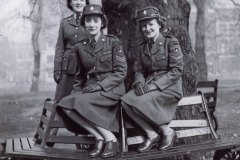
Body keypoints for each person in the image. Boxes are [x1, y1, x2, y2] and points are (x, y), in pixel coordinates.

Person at [57, 4, 127, 158]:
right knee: (66, 105)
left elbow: (121, 72)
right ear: (84, 24)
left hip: (112, 90)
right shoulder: (80, 47)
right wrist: (77, 93)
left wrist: (100, 86)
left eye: (95, 20)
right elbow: (80, 76)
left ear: (102, 22)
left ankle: (111, 140)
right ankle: (101, 137)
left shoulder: (113, 42)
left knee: (77, 103)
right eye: (88, 21)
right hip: (92, 91)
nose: (91, 24)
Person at [121, 6, 184, 152]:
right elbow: (139, 70)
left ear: (159, 25)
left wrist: (154, 86)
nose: (147, 28)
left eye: (151, 24)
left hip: (169, 88)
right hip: (149, 87)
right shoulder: (143, 47)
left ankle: (167, 132)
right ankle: (152, 134)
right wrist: (139, 83)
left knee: (139, 102)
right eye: (144, 26)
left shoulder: (170, 42)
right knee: (125, 102)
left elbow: (177, 70)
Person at [53, 0, 89, 102]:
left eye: (82, 0)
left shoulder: (90, 22)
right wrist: (57, 69)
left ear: (86, 3)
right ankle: (57, 118)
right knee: (61, 100)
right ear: (70, 3)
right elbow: (60, 47)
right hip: (67, 68)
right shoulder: (65, 23)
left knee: (81, 102)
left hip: (85, 69)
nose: (78, 3)